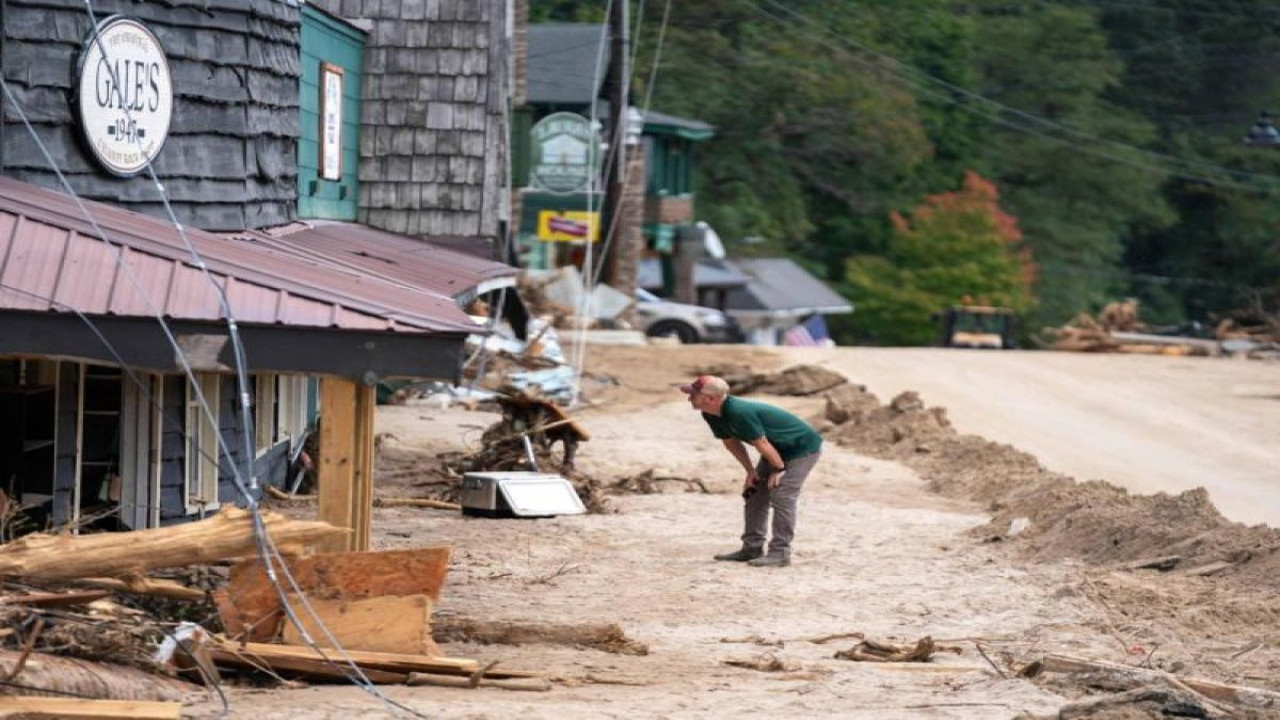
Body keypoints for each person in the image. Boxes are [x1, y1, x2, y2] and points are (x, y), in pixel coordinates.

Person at [680, 375, 822, 567]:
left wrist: (779, 469)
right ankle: (752, 548)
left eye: (693, 394)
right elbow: (731, 442)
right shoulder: (710, 413)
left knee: (782, 495)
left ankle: (780, 553)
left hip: (801, 449)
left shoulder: (738, 412)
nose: (689, 398)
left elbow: (760, 443)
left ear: (711, 399)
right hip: (775, 450)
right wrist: (750, 471)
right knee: (753, 492)